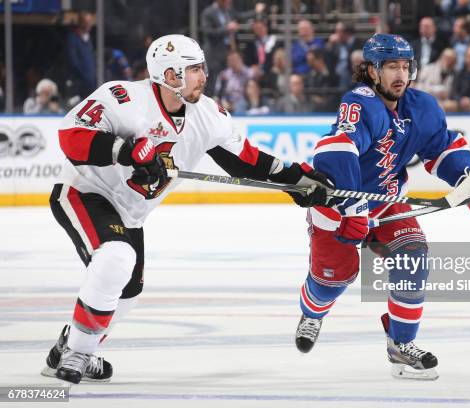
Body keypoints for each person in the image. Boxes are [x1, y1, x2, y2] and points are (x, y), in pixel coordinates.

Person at [41, 34, 333, 385]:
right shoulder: (123, 98)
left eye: (201, 68)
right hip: (85, 192)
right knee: (116, 258)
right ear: (169, 74)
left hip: (130, 212)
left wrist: (295, 180)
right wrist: (126, 151)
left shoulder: (208, 115)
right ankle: (78, 353)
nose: (203, 76)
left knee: (128, 291)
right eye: (194, 69)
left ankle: (67, 347)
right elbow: (71, 135)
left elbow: (247, 162)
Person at [292, 33, 470, 380]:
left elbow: (443, 149)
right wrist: (351, 208)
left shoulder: (421, 107)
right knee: (333, 280)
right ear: (372, 72)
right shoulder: (361, 103)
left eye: (405, 66)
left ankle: (401, 345)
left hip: (388, 203)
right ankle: (312, 314)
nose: (400, 75)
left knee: (413, 257)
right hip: (339, 207)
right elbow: (335, 150)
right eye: (391, 66)